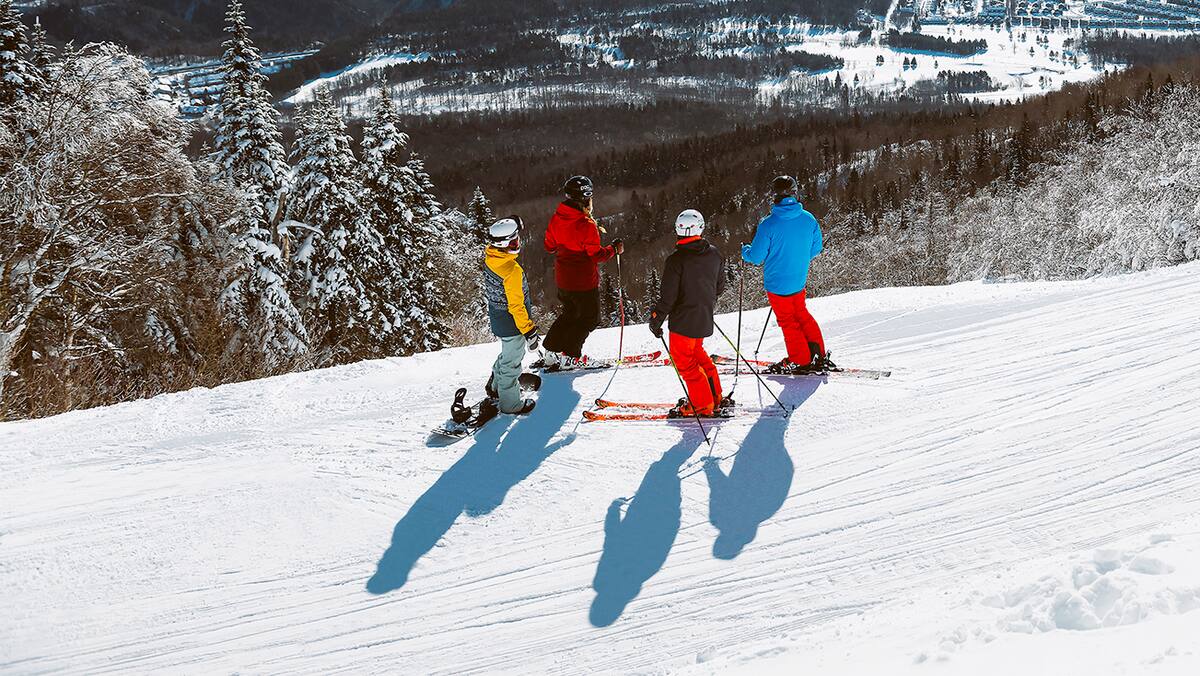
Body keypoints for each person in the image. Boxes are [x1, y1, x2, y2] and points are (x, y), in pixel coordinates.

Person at [741, 175, 834, 373]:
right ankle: (818, 354)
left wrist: (745, 252)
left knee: (788, 321)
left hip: (777, 284)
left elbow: (756, 257)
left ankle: (800, 359)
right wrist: (797, 257)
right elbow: (816, 248)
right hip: (798, 280)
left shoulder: (769, 224)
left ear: (775, 197)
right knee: (802, 315)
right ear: (795, 193)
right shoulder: (808, 219)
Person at [541, 176, 625, 370]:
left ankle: (551, 353)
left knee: (570, 313)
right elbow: (596, 256)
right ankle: (571, 356)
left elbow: (549, 246)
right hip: (583, 281)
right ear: (587, 198)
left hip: (563, 279)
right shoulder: (586, 225)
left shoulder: (557, 217)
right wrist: (614, 249)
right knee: (590, 318)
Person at [649, 209, 727, 417]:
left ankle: (702, 404)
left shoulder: (676, 261)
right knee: (698, 355)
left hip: (683, 321)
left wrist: (657, 318)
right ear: (700, 228)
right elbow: (719, 288)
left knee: (685, 363)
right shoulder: (714, 253)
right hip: (704, 316)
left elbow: (668, 297)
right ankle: (714, 395)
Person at [482, 216, 540, 415]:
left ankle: (495, 386)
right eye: (514, 242)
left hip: (498, 318)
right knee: (512, 362)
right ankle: (510, 404)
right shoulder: (511, 270)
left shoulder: (491, 258)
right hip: (512, 322)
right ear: (503, 245)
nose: (518, 244)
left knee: (507, 353)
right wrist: (529, 330)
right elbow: (516, 306)